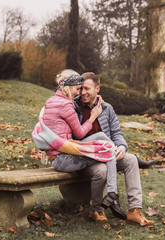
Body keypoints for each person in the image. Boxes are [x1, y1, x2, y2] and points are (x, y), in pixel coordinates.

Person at [34, 69, 126, 219]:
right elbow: (79, 134)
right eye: (77, 89)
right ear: (69, 87)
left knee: (103, 139)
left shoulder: (52, 101)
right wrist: (93, 116)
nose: (79, 93)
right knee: (107, 151)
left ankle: (110, 196)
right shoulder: (65, 105)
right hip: (63, 159)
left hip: (61, 154)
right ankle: (112, 195)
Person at [74, 72, 154, 226]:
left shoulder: (107, 108)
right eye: (81, 88)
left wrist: (122, 147)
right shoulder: (74, 107)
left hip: (107, 155)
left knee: (130, 159)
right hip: (85, 158)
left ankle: (134, 210)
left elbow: (117, 133)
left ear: (97, 88)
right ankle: (97, 210)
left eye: (87, 88)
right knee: (102, 169)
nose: (83, 92)